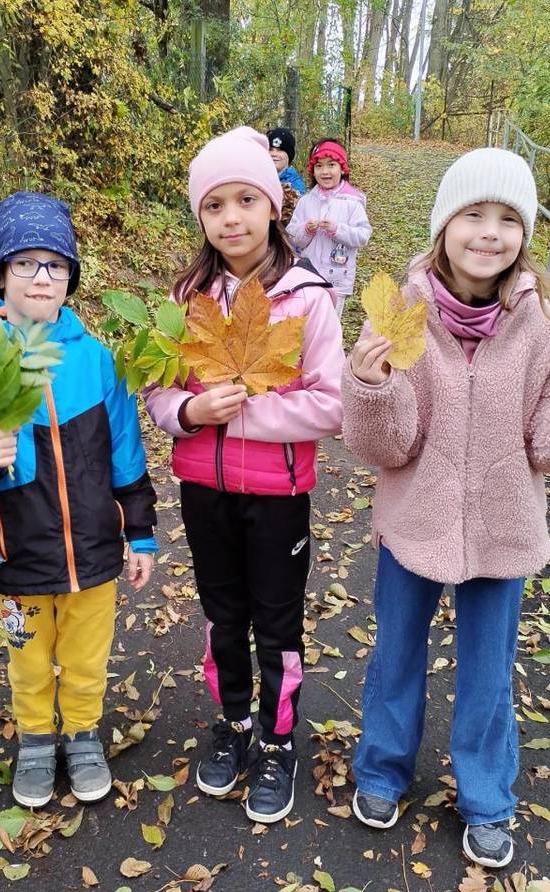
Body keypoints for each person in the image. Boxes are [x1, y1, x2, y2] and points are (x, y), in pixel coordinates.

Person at [342, 147, 550, 868]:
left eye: (508, 219)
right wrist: (373, 384)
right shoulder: (399, 316)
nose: (489, 232)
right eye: (473, 215)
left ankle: (486, 797)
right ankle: (383, 770)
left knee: (488, 670)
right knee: (395, 655)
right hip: (413, 523)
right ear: (444, 225)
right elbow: (388, 446)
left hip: (504, 529)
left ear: (526, 233)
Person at [0, 191, 158, 810]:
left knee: (85, 654)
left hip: (94, 551)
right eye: (24, 263)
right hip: (17, 549)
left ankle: (81, 733)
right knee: (27, 654)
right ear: (0, 275)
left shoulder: (96, 360)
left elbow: (126, 453)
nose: (41, 276)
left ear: (70, 277)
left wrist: (140, 532)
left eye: (55, 264)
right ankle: (34, 737)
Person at [144, 127, 344, 824]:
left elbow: (332, 402)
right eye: (215, 205)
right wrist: (192, 410)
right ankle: (232, 724)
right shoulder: (187, 295)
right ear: (200, 216)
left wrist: (250, 413)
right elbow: (158, 389)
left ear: (274, 206)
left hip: (279, 497)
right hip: (204, 492)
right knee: (223, 615)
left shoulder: (307, 296)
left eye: (246, 200)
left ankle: (280, 739)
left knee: (276, 621)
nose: (231, 218)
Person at [287, 137, 372, 319]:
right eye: (319, 166)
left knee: (330, 322)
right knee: (307, 322)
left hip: (337, 277)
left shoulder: (352, 203)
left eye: (331, 165)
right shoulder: (306, 201)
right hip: (308, 275)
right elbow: (293, 238)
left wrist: (337, 230)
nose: (325, 171)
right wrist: (306, 230)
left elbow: (362, 235)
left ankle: (332, 348)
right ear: (313, 171)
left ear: (342, 169)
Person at [267, 127, 306, 224]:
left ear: (289, 155)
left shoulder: (295, 185)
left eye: (280, 150)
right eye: (271, 149)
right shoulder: (260, 178)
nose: (274, 154)